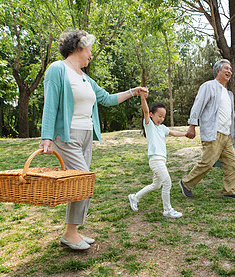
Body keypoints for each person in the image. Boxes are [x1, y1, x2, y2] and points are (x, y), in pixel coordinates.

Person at [39, 29, 147, 251]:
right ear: (79, 47)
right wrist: (46, 138)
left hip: (86, 134)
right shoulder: (57, 70)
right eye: (89, 49)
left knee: (81, 184)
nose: (91, 54)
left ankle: (73, 231)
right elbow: (50, 105)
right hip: (67, 135)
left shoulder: (85, 78)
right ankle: (70, 233)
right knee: (83, 180)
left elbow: (106, 99)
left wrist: (133, 91)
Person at [179, 59, 235, 200]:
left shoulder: (229, 94)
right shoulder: (208, 86)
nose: (229, 71)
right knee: (207, 162)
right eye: (226, 69)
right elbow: (198, 105)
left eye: (230, 70)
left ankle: (230, 191)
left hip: (226, 135)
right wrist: (192, 126)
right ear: (218, 71)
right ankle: (186, 184)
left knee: (232, 163)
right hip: (213, 132)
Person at [127, 91, 187, 218]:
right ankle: (167, 210)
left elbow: (174, 133)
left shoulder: (162, 128)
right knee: (167, 182)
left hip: (161, 160)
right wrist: (143, 97)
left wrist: (186, 134)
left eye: (163, 117)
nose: (161, 119)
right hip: (155, 160)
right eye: (159, 116)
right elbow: (145, 110)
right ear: (151, 115)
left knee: (156, 185)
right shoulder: (149, 125)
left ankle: (135, 197)